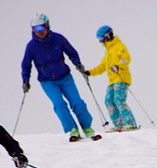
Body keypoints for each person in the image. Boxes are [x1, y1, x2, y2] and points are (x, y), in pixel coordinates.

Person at [21, 13, 100, 143]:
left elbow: (72, 52)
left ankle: (87, 128)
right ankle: (72, 129)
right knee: (59, 104)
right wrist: (25, 80)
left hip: (65, 77)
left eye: (40, 28)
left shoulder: (58, 38)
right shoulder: (31, 46)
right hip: (47, 81)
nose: (38, 32)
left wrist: (77, 63)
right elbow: (26, 65)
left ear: (47, 26)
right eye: (35, 29)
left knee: (77, 102)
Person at [84, 25, 138, 131]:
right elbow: (102, 67)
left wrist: (118, 66)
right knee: (108, 101)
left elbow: (126, 59)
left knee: (118, 99)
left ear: (107, 36)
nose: (100, 42)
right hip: (112, 81)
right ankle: (119, 124)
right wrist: (90, 72)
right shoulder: (108, 51)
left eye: (101, 39)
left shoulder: (119, 46)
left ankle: (130, 123)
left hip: (121, 78)